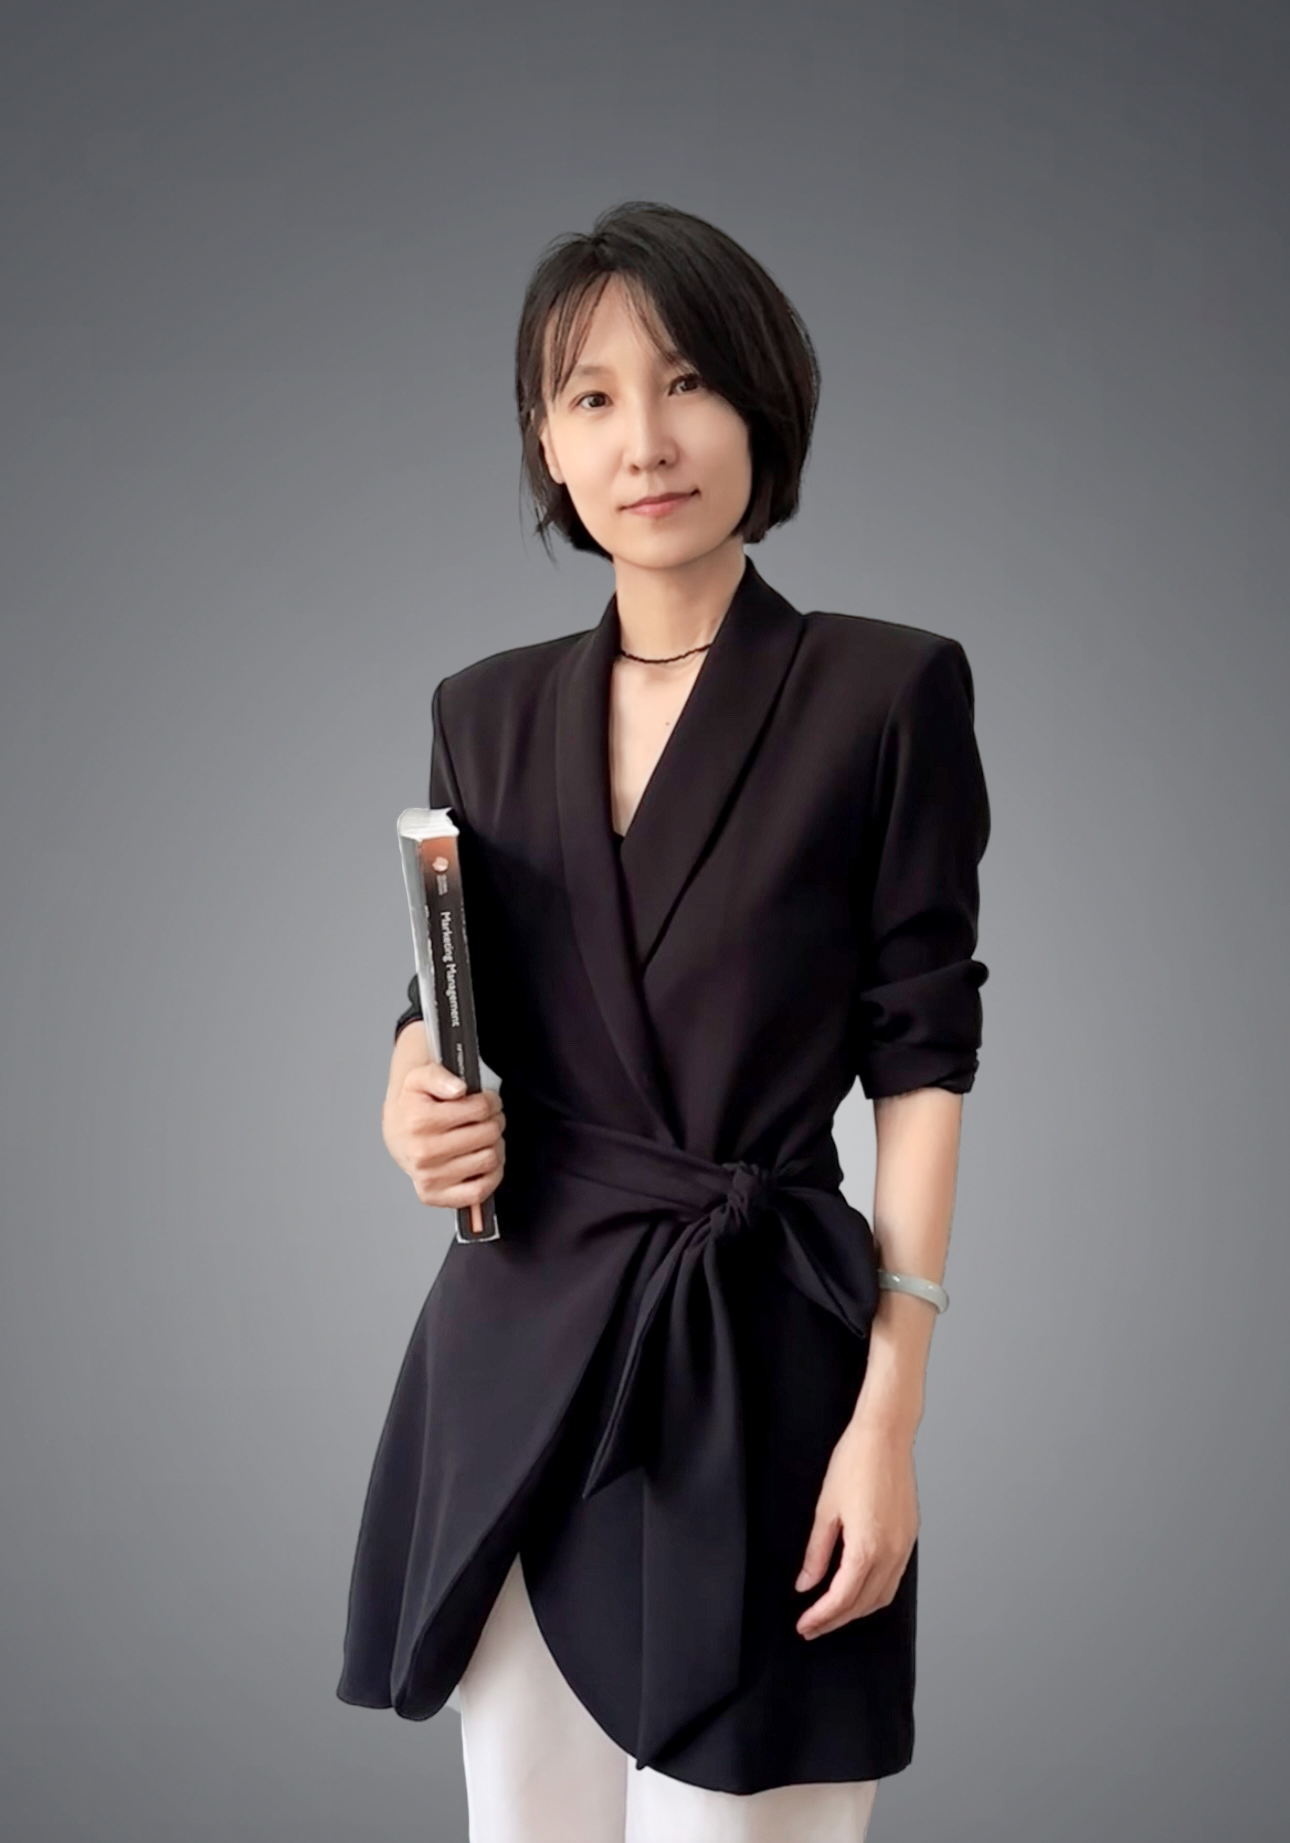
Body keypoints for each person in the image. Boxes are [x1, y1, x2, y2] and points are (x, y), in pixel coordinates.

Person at [336, 201, 991, 1843]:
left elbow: (922, 1058)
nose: (644, 440)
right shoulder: (481, 712)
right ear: (546, 445)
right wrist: (409, 1088)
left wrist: (889, 1419)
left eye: (686, 381)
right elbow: (449, 996)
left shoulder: (884, 690)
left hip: (761, 1369)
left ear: (763, 407)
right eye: (591, 397)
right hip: (514, 1355)